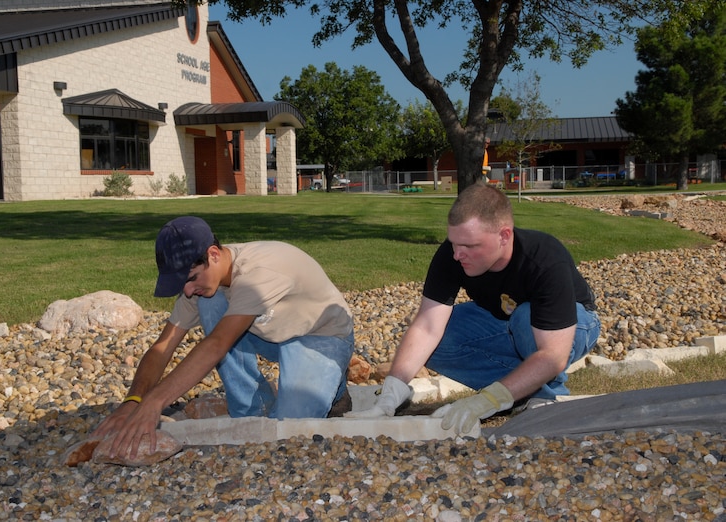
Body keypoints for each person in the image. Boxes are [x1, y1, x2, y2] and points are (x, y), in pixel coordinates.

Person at [347, 184, 600, 436]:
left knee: (525, 317)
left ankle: (545, 397)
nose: (458, 255)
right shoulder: (452, 254)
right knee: (437, 342)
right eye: (454, 243)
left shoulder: (544, 259)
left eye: (470, 246)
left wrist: (487, 400)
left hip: (574, 325)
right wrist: (391, 394)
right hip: (506, 322)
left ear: (504, 236)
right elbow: (426, 328)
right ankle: (520, 391)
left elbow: (553, 355)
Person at [92, 216, 354, 458]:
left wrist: (155, 402)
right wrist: (134, 401)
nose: (187, 290)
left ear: (213, 254)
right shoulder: (201, 284)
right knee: (209, 301)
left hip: (321, 336)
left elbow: (217, 344)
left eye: (192, 278)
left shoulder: (259, 273)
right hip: (271, 331)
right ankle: (252, 408)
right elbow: (162, 347)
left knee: (289, 430)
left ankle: (335, 387)